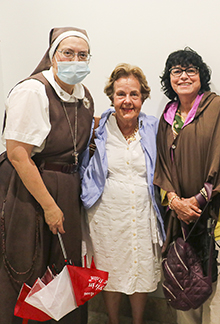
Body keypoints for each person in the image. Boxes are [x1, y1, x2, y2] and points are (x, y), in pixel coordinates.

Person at [0, 27, 94, 323]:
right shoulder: (33, 91)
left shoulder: (84, 95)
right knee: (27, 260)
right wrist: (50, 206)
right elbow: (18, 154)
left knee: (62, 267)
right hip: (30, 187)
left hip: (66, 186)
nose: (75, 60)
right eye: (68, 53)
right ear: (52, 57)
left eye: (83, 54)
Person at [154, 47, 220, 324]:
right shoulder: (167, 117)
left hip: (215, 216)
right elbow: (160, 165)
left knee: (214, 288)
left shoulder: (219, 108)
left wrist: (196, 201)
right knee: (182, 282)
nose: (183, 76)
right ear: (169, 78)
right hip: (178, 217)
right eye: (176, 71)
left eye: (190, 70)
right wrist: (174, 201)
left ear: (201, 76)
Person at [80, 63, 165, 324]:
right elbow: (82, 166)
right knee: (111, 272)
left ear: (143, 97)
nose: (127, 101)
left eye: (134, 95)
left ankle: (138, 321)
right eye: (121, 94)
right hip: (107, 216)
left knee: (140, 271)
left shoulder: (154, 128)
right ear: (112, 97)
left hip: (142, 211)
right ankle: (114, 321)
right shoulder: (98, 129)